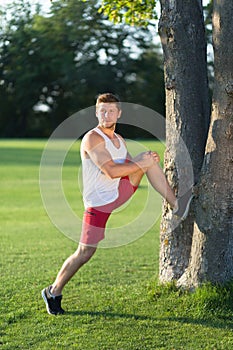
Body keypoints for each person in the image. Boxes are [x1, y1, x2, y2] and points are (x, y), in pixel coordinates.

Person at [42, 93, 193, 315]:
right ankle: (53, 291)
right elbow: (112, 171)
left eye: (111, 110)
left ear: (119, 113)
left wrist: (146, 160)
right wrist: (141, 163)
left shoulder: (120, 140)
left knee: (146, 159)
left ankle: (176, 205)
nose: (106, 114)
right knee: (84, 253)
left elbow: (129, 165)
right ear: (96, 112)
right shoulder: (92, 139)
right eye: (102, 110)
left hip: (119, 193)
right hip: (99, 204)